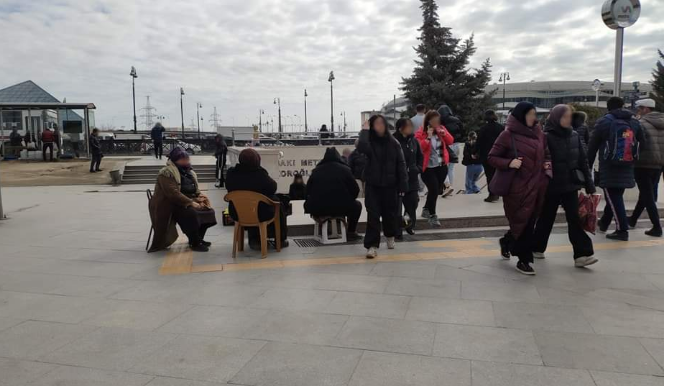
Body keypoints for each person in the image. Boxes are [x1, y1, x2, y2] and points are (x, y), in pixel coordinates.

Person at [489, 102, 551, 275]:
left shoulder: (540, 134)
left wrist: (547, 169)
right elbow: (492, 157)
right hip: (516, 188)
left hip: (537, 186)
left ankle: (507, 242)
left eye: (535, 114)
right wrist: (509, 162)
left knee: (527, 222)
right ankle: (524, 260)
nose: (534, 117)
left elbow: (547, 154)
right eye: (530, 114)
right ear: (521, 115)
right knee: (523, 222)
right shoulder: (507, 135)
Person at [533, 105, 598, 267]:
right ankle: (536, 247)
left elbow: (583, 161)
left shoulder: (574, 135)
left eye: (570, 116)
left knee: (574, 219)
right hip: (551, 186)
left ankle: (582, 254)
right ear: (556, 117)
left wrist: (590, 186)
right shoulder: (544, 137)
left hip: (570, 185)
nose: (569, 119)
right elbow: (538, 162)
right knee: (546, 219)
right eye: (565, 116)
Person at [588, 97, 644, 241]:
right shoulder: (634, 122)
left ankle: (622, 230)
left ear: (608, 107)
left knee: (613, 197)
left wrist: (587, 167)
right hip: (627, 164)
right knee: (614, 196)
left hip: (609, 165)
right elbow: (642, 143)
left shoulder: (604, 122)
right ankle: (604, 223)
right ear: (623, 106)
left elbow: (592, 146)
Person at [357, 114, 408, 258]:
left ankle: (390, 236)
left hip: (390, 186)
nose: (379, 126)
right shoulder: (369, 142)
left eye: (381, 123)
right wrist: (365, 131)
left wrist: (403, 185)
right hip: (373, 185)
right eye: (376, 124)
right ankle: (372, 246)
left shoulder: (394, 143)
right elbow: (361, 147)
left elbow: (401, 164)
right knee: (373, 216)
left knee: (389, 215)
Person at [148, 147, 217, 253]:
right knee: (190, 214)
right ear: (175, 160)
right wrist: (190, 203)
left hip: (188, 199)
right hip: (169, 203)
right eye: (182, 159)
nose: (186, 161)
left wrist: (201, 197)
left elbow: (195, 189)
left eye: (187, 159)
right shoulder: (166, 173)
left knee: (209, 211)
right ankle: (195, 242)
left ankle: (198, 238)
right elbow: (173, 193)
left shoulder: (190, 172)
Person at [226, 148, 289, 249]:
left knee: (254, 206)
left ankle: (255, 240)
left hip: (237, 212)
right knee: (277, 204)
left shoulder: (231, 173)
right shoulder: (259, 174)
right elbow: (273, 187)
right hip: (259, 213)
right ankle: (280, 240)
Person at [304, 148, 362, 241]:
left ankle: (323, 230)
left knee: (311, 205)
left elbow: (307, 191)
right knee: (357, 205)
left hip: (319, 208)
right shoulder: (345, 169)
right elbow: (355, 189)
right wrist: (348, 199)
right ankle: (351, 232)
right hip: (342, 207)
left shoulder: (316, 171)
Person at [629, 98, 664, 237]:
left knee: (647, 195)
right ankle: (633, 219)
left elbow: (634, 143)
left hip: (643, 163)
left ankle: (656, 226)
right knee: (646, 193)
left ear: (645, 109)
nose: (638, 111)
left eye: (639, 108)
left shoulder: (641, 123)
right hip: (659, 164)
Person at [415, 110, 454, 228]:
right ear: (428, 120)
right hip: (427, 167)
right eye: (434, 120)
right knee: (432, 190)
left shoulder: (442, 128)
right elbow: (419, 148)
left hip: (441, 165)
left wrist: (443, 133)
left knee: (436, 190)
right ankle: (433, 215)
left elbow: (451, 141)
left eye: (438, 120)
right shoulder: (421, 132)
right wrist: (428, 137)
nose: (436, 122)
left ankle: (426, 209)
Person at [393, 118, 423, 238]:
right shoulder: (393, 141)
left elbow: (420, 156)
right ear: (401, 128)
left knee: (413, 203)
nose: (411, 128)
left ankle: (408, 224)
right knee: (397, 207)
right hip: (397, 180)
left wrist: (418, 168)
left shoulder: (413, 141)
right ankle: (397, 231)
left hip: (412, 179)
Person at [477, 110, 505, 203]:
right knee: (499, 174)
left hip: (487, 156)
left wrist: (474, 152)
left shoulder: (483, 129)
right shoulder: (501, 128)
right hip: (500, 155)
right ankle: (499, 192)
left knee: (489, 175)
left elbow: (479, 142)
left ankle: (492, 194)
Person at [438, 105, 463, 196]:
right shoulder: (457, 120)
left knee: (443, 167)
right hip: (456, 145)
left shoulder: (441, 122)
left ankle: (446, 186)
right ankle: (450, 186)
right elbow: (462, 132)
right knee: (451, 169)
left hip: (446, 145)